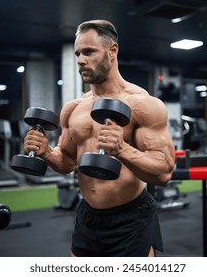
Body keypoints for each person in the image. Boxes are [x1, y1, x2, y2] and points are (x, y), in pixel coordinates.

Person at [23, 19, 176, 257]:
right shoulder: (73, 108)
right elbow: (67, 162)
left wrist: (122, 149)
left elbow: (164, 173)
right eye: (77, 54)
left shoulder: (142, 103)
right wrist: (46, 151)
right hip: (88, 216)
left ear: (112, 51)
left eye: (89, 52)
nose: (80, 60)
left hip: (131, 218)